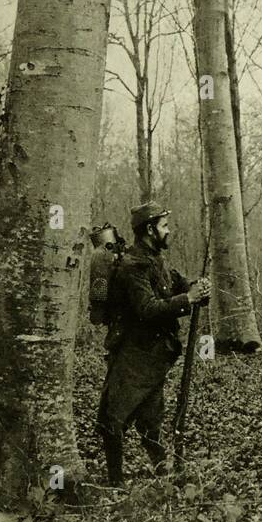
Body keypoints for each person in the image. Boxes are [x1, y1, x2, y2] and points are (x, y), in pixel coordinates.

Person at [97, 202, 211, 485]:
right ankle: (116, 484)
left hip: (153, 355)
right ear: (149, 230)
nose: (169, 231)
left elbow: (179, 284)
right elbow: (147, 308)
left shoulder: (156, 259)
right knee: (113, 420)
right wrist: (188, 299)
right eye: (164, 226)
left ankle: (163, 473)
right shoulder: (132, 266)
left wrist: (197, 289)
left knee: (147, 420)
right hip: (135, 353)